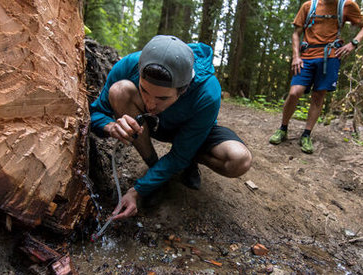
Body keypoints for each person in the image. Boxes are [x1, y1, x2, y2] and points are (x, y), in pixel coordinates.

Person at [90, 35, 252, 220]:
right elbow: (94, 113)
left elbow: (179, 155)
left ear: (183, 89)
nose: (150, 104)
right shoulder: (131, 64)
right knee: (119, 90)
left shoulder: (207, 91)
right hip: (152, 125)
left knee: (239, 160)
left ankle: (190, 159)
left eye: (162, 98)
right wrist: (110, 127)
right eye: (144, 90)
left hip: (190, 131)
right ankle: (153, 164)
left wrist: (137, 191)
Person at [269, 0, 363, 154]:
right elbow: (296, 33)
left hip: (330, 56)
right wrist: (296, 57)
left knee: (318, 96)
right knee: (294, 92)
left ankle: (306, 134)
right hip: (306, 56)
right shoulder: (309, 6)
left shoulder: (346, 5)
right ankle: (283, 128)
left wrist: (353, 43)